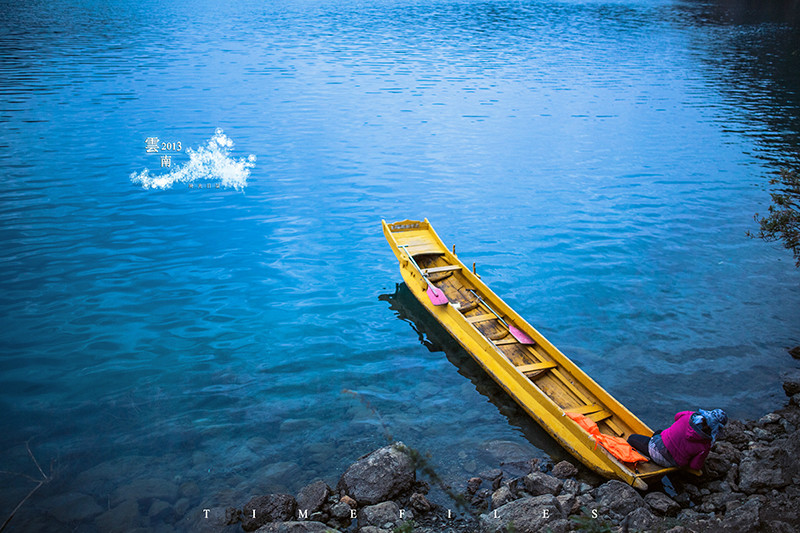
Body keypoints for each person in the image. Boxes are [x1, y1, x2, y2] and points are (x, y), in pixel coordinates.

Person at [627, 409, 728, 469]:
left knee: (632, 438)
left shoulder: (689, 415)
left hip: (658, 452)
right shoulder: (706, 445)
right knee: (658, 432)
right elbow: (694, 466)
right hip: (672, 463)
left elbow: (676, 417)